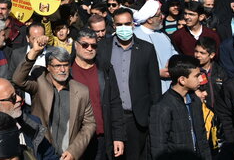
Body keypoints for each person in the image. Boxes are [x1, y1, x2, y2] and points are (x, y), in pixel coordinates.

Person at [12, 38, 96, 160]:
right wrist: (34, 52)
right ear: (48, 67)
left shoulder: (81, 91)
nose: (62, 70)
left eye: (65, 65)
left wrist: (74, 151)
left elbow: (89, 124)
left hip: (67, 154)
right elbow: (18, 79)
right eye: (57, 66)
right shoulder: (39, 83)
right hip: (42, 152)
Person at [96, 8, 161, 160]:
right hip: (110, 117)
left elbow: (154, 87)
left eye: (127, 24)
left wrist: (153, 118)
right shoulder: (102, 48)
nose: (123, 28)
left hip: (136, 118)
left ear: (133, 24)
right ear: (113, 26)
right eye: (119, 24)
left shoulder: (146, 49)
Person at [71, 28, 126, 159]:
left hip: (101, 137)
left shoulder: (105, 68)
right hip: (74, 139)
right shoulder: (66, 70)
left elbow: (115, 103)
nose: (90, 49)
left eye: (94, 45)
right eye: (85, 45)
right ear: (76, 45)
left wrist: (118, 136)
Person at [149, 55, 211, 160]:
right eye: (196, 76)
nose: (200, 79)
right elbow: (158, 147)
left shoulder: (195, 101)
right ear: (182, 80)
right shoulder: (162, 107)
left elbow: (202, 138)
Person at [134, 0, 177, 93]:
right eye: (159, 15)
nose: (163, 17)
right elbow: (135, 66)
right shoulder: (136, 37)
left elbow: (174, 53)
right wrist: (156, 73)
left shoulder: (163, 35)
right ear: (149, 19)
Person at [194, 37, 227, 109]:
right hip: (201, 112)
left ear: (212, 55)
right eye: (196, 51)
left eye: (202, 53)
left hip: (219, 113)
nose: (197, 55)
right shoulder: (191, 72)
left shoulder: (221, 71)